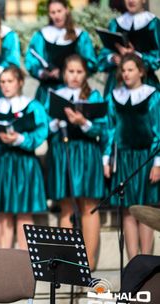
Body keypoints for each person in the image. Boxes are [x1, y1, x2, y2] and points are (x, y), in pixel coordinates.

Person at [45, 55, 106, 270]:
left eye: (79, 72)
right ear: (64, 73)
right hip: (63, 151)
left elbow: (103, 128)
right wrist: (57, 121)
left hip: (87, 151)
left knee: (89, 206)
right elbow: (44, 129)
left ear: (85, 74)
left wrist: (83, 122)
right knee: (67, 207)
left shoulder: (94, 95)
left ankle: (88, 262)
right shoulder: (55, 95)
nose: (75, 76)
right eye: (71, 71)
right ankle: (68, 262)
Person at [0, 66, 48, 249]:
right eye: (2, 82)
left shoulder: (32, 106)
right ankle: (3, 261)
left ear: (20, 82)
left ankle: (26, 261)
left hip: (24, 163)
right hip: (1, 163)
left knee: (24, 213)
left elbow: (42, 132)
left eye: (10, 81)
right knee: (3, 213)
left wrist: (20, 139)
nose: (6, 86)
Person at [103, 54, 160, 260]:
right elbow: (110, 129)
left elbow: (158, 130)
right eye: (123, 70)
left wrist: (157, 163)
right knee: (127, 210)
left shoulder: (153, 96)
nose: (126, 74)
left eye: (131, 69)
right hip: (124, 158)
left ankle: (147, 261)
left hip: (146, 158)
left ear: (141, 72)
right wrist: (107, 158)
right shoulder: (114, 96)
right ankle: (133, 263)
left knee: (144, 209)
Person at [24, 0, 97, 105]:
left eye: (59, 11)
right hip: (47, 92)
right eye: (53, 12)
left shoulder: (80, 36)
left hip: (75, 92)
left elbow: (91, 63)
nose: (57, 16)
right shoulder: (41, 36)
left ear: (66, 10)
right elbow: (32, 60)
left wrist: (64, 73)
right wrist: (42, 72)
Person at [98, 0, 159, 96]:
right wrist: (112, 58)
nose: (131, 1)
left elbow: (157, 57)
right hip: (117, 85)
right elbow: (102, 57)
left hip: (146, 83)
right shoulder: (115, 24)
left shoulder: (153, 24)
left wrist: (135, 56)